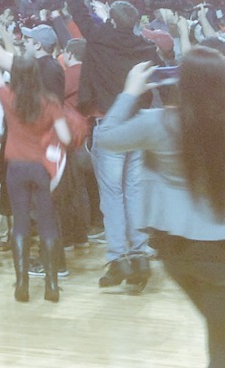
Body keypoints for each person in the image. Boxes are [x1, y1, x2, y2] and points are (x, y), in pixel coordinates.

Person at [95, 50, 225, 368]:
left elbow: (106, 138)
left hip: (176, 247)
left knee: (219, 331)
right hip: (218, 247)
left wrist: (129, 93)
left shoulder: (158, 123)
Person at [53, 0, 159, 288]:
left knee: (112, 196)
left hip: (109, 126)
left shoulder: (99, 37)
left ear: (111, 20)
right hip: (140, 127)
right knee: (134, 192)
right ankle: (139, 256)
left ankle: (118, 260)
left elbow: (78, 9)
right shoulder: (144, 47)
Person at [0, 9, 71, 303]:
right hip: (42, 168)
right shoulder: (52, 103)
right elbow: (66, 138)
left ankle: (21, 285)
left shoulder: (9, 99)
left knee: (19, 224)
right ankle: (52, 287)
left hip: (15, 168)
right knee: (46, 224)